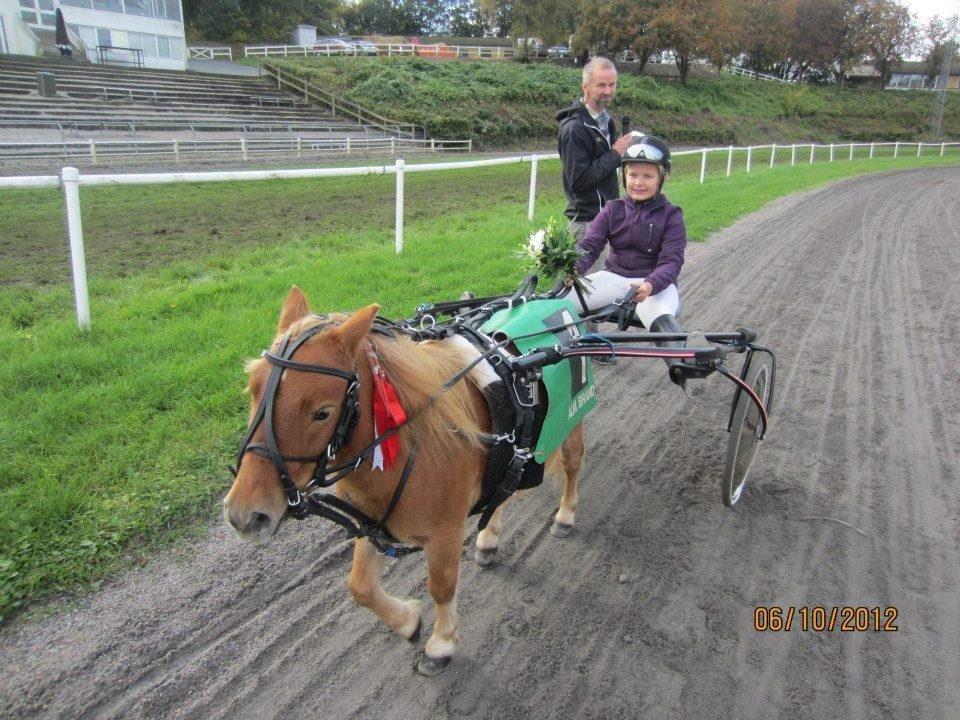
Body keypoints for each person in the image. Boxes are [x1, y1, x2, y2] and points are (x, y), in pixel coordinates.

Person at [566, 133, 705, 397]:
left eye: (647, 176)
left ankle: (686, 370)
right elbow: (589, 245)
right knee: (561, 299)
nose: (638, 182)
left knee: (658, 316)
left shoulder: (672, 215)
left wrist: (651, 284)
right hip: (614, 278)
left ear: (661, 178)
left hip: (655, 286)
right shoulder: (612, 209)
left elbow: (672, 261)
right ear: (624, 176)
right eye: (633, 175)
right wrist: (575, 269)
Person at [555, 57, 633, 244]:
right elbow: (579, 180)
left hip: (608, 217)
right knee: (588, 275)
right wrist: (615, 154)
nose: (608, 91)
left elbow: (607, 165)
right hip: (587, 224)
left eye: (612, 84)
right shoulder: (574, 128)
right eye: (601, 85)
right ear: (585, 87)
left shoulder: (606, 120)